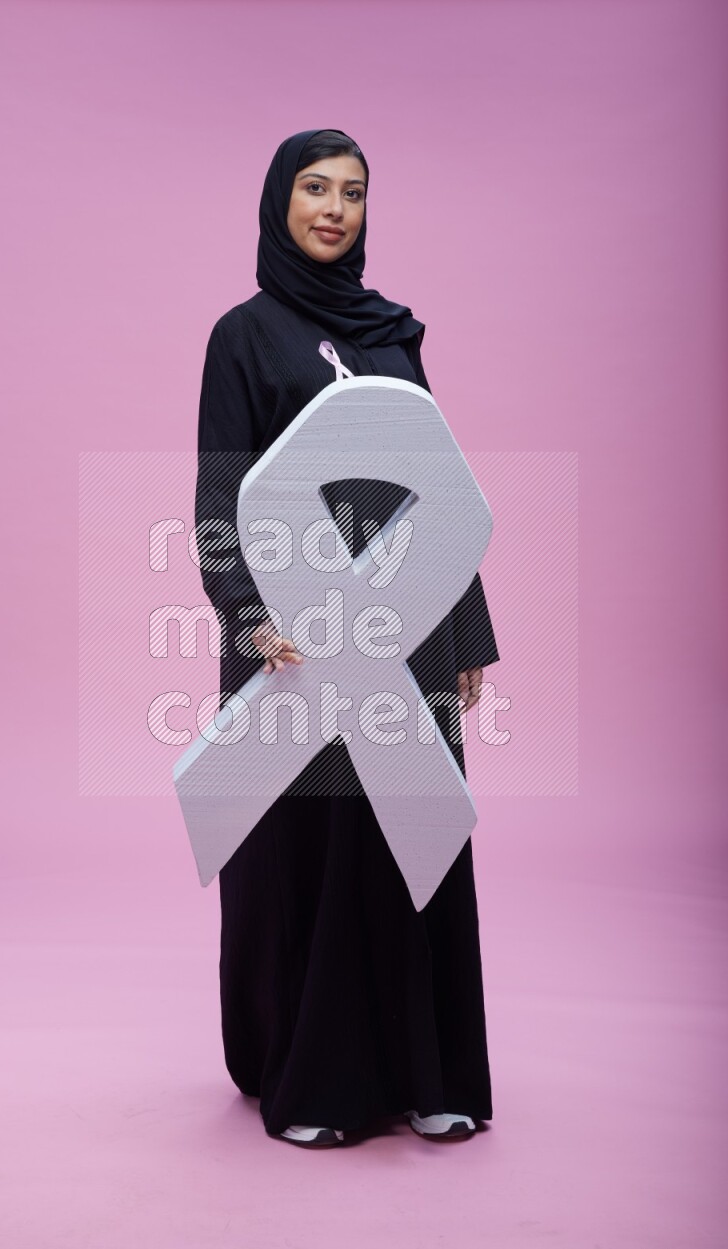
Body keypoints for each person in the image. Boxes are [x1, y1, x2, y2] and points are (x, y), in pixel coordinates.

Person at [194, 129, 500, 1148]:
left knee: (412, 838)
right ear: (278, 199)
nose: (333, 208)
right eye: (314, 188)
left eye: (353, 193)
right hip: (297, 634)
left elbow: (438, 490)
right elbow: (219, 491)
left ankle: (428, 1073)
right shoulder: (242, 336)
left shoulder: (392, 336)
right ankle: (311, 1079)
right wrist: (251, 614)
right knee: (310, 852)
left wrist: (465, 629)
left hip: (403, 630)